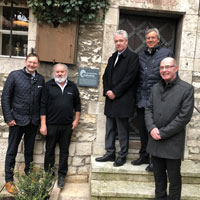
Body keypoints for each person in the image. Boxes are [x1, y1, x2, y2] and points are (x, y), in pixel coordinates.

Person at [145, 57, 194, 200]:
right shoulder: (155, 88)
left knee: (174, 181)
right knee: (158, 179)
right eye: (161, 68)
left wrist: (162, 132)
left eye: (168, 67)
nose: (164, 70)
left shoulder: (187, 89)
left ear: (176, 68)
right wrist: (151, 128)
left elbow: (184, 117)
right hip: (155, 141)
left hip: (172, 143)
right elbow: (148, 109)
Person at [131, 28, 174, 171]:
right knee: (143, 130)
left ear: (158, 39)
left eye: (153, 37)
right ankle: (143, 155)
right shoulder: (141, 55)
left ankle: (154, 160)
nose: (150, 40)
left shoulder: (165, 53)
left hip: (158, 100)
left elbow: (169, 75)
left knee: (154, 131)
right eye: (148, 38)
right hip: (142, 99)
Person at [1, 53, 44, 194]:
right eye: (30, 62)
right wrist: (8, 117)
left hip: (33, 121)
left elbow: (42, 101)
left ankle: (28, 174)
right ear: (26, 62)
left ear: (38, 64)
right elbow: (5, 98)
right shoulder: (15, 75)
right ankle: (9, 180)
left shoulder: (40, 79)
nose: (32, 65)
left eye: (35, 63)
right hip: (17, 120)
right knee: (12, 150)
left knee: (29, 150)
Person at [95, 30, 139, 167]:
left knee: (122, 130)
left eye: (121, 41)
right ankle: (109, 153)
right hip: (111, 99)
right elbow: (105, 76)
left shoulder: (133, 57)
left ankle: (122, 155)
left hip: (123, 100)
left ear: (126, 41)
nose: (118, 43)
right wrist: (108, 90)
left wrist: (115, 92)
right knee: (109, 128)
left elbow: (130, 78)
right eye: (116, 41)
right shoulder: (112, 57)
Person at [40, 63, 81, 189]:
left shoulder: (72, 86)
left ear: (66, 73)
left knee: (64, 151)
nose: (59, 74)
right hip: (51, 125)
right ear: (53, 72)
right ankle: (49, 175)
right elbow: (42, 106)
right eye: (57, 71)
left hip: (67, 126)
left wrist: (76, 120)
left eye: (62, 72)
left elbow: (78, 105)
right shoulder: (48, 86)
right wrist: (43, 124)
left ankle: (62, 175)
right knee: (49, 151)